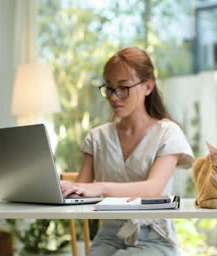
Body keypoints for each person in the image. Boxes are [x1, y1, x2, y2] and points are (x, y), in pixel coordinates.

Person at [60, 46, 195, 256]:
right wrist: (70, 187)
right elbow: (83, 190)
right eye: (109, 88)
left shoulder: (168, 133)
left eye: (123, 88)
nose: (114, 97)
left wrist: (101, 187)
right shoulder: (97, 137)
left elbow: (153, 188)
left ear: (148, 86)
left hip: (154, 237)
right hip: (108, 236)